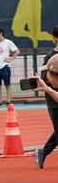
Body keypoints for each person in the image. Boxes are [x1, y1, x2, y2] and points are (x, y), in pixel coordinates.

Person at [33, 26, 58, 168]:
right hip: (54, 98)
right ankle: (42, 152)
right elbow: (44, 80)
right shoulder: (50, 58)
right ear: (55, 38)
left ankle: (42, 152)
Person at [0, 28, 20, 107]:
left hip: (5, 67)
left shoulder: (8, 42)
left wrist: (11, 58)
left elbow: (17, 51)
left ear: (1, 33)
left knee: (7, 85)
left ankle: (8, 101)